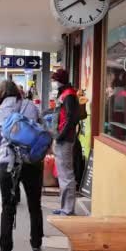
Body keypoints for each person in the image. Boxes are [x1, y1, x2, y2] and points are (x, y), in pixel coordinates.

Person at [0, 80, 43, 251]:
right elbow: (40, 128)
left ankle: (6, 250)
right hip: (31, 161)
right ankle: (36, 245)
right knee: (34, 205)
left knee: (7, 207)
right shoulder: (30, 105)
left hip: (7, 162)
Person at [51, 68, 79, 216]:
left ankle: (68, 209)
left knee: (66, 176)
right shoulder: (65, 94)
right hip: (62, 138)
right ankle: (64, 207)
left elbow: (71, 119)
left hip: (65, 140)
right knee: (63, 176)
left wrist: (60, 136)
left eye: (55, 80)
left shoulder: (68, 96)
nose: (53, 83)